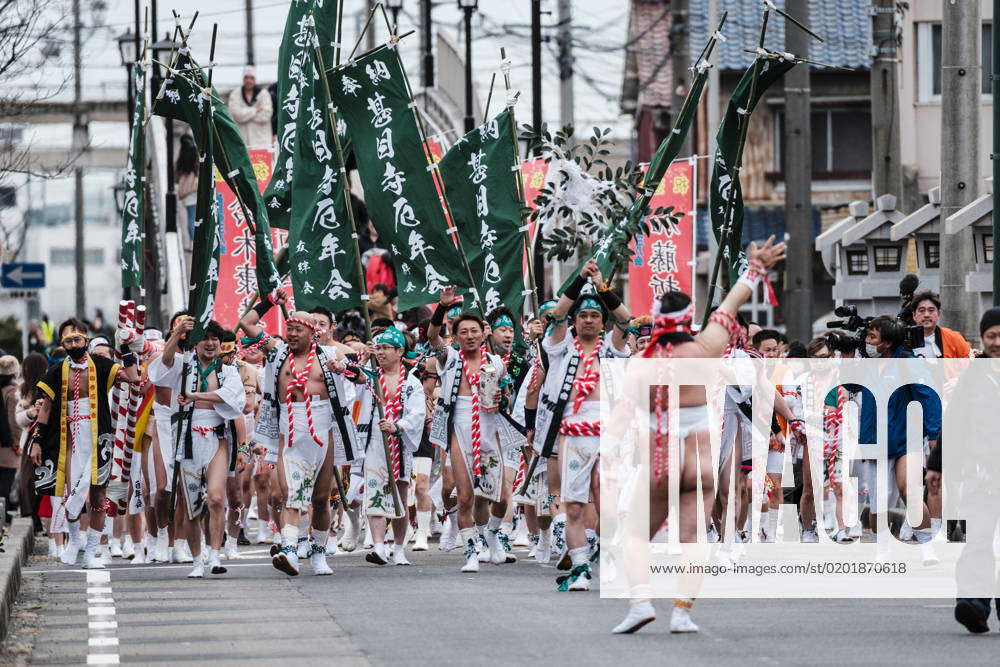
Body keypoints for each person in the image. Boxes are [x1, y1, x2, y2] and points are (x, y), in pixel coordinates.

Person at [612, 236, 786, 635]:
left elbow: (623, 414)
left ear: (656, 321)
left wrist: (606, 456)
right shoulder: (706, 347)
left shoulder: (642, 362)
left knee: (637, 533)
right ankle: (681, 612)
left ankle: (640, 602)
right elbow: (729, 309)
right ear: (688, 319)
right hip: (701, 460)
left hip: (662, 458)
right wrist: (755, 270)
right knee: (694, 538)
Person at [239, 292, 361, 576]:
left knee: (320, 498)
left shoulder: (330, 355)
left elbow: (362, 373)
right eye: (289, 329)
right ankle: (291, 552)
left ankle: (318, 555)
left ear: (312, 332)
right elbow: (247, 322)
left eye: (297, 329)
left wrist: (344, 368)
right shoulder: (278, 352)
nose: (291, 334)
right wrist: (270, 300)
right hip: (289, 426)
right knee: (292, 494)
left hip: (323, 426)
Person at [535, 258, 632, 591]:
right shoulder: (561, 348)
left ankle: (609, 554)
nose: (588, 319)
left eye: (594, 315)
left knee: (607, 501)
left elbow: (625, 319)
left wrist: (602, 287)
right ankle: (580, 569)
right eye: (583, 315)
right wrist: (579, 279)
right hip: (573, 433)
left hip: (607, 432)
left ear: (601, 322)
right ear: (575, 321)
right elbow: (557, 314)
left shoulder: (611, 348)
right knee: (574, 505)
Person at [28, 318, 141, 569]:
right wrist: (36, 441)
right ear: (62, 344)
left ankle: (91, 552)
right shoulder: (56, 371)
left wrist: (126, 349)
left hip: (98, 438)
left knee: (99, 498)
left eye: (77, 339)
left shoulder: (102, 364)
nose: (73, 344)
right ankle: (74, 540)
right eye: (68, 340)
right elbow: (45, 408)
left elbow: (133, 379)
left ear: (86, 341)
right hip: (69, 438)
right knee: (72, 494)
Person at [148, 316, 244, 578]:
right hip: (186, 439)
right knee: (192, 505)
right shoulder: (183, 364)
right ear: (194, 342)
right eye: (206, 338)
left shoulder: (227, 370)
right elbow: (160, 368)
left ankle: (215, 555)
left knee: (215, 498)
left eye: (215, 338)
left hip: (216, 438)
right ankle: (197, 560)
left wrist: (196, 396)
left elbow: (232, 400)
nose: (211, 343)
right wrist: (176, 333)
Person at [427, 288, 509, 572]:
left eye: (475, 331)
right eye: (464, 332)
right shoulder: (449, 359)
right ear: (457, 336)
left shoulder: (495, 363)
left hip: (489, 429)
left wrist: (501, 397)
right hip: (459, 430)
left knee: (499, 496)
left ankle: (493, 535)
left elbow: (506, 396)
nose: (470, 336)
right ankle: (471, 554)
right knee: (465, 497)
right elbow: (432, 337)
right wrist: (442, 308)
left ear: (483, 334)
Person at [358, 327, 425, 566]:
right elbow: (351, 386)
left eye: (387, 348)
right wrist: (362, 360)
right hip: (375, 439)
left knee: (401, 495)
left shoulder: (411, 381)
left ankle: (398, 548)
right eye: (379, 347)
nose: (382, 352)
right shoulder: (370, 376)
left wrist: (398, 426)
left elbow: (418, 412)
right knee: (375, 490)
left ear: (400, 351)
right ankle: (378, 545)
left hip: (400, 439)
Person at [908, 291, 971, 359]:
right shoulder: (904, 341)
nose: (926, 315)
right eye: (922, 310)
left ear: (938, 314)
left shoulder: (954, 338)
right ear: (914, 315)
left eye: (931, 310)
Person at [228, 66, 273, 148]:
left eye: (251, 78)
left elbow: (266, 115)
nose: (249, 80)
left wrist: (244, 114)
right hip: (242, 142)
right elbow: (236, 115)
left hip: (261, 142)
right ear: (243, 79)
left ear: (255, 79)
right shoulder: (235, 94)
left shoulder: (264, 94)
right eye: (246, 77)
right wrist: (255, 110)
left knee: (262, 161)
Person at [0, 355, 21, 522]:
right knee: (6, 479)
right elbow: (13, 420)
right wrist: (16, 442)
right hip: (7, 443)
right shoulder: (13, 392)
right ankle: (3, 512)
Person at [175, 134, 199, 243]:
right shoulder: (194, 151)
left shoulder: (181, 155)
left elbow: (176, 172)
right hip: (193, 187)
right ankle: (194, 241)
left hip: (184, 189)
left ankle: (191, 241)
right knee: (193, 216)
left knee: (190, 215)